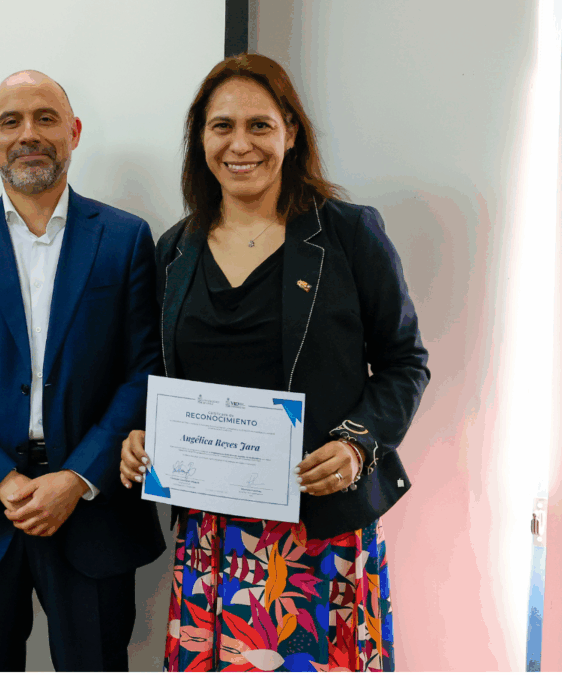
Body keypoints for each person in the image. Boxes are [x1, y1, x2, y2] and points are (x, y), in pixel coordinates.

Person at [120, 54, 429, 672]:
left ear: (290, 130)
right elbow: (164, 374)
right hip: (215, 538)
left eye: (259, 125)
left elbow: (405, 362)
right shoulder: (175, 250)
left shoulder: (346, 234)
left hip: (318, 534)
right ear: (199, 139)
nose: (240, 144)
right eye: (221, 126)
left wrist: (354, 447)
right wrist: (143, 434)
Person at [0, 70, 166, 671]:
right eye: (11, 121)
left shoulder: (125, 239)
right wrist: (0, 479)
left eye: (46, 118)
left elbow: (143, 370)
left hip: (90, 509)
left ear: (73, 133)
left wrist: (76, 478)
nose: (29, 134)